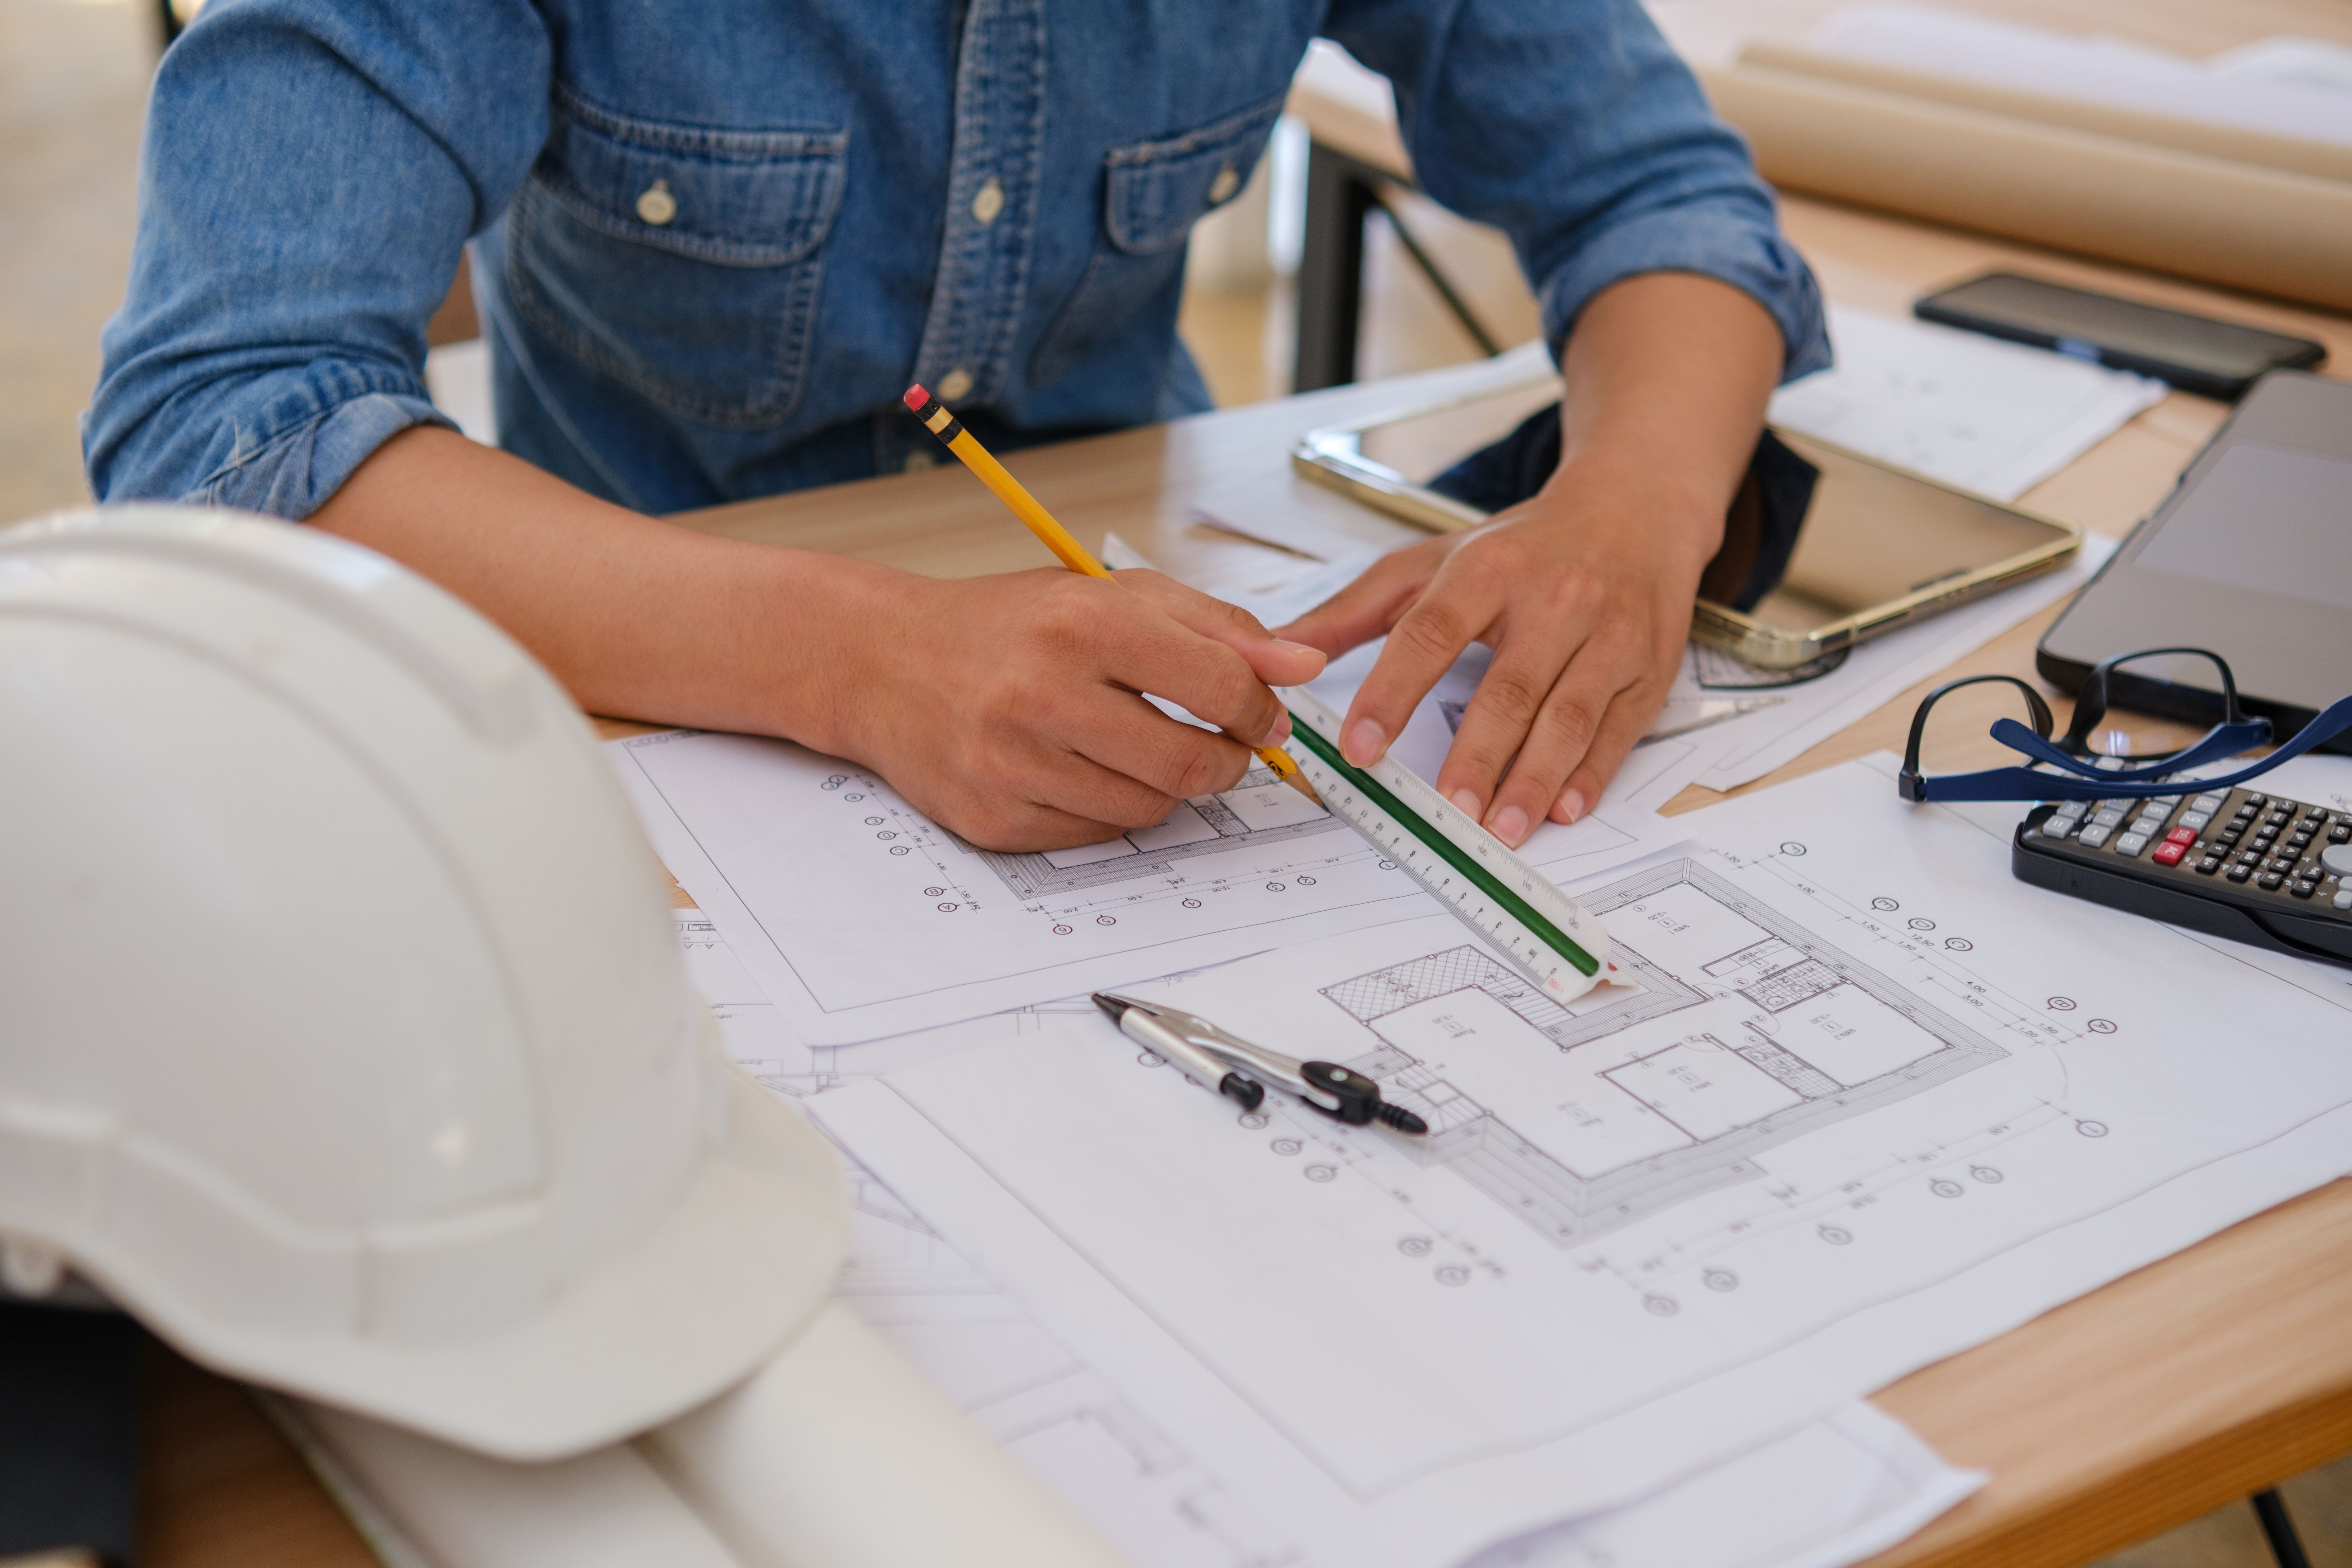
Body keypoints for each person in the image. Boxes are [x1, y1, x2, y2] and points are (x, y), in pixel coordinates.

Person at [86, 0, 1826, 853]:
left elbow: (1658, 191)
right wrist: (854, 661)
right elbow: (217, 415)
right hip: (628, 678)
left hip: (1157, 618)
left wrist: (1639, 504)